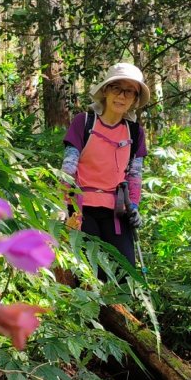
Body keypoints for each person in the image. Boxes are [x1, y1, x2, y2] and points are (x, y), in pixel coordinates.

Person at [62, 62, 148, 274]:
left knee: (124, 273)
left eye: (130, 92)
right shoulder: (84, 123)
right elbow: (68, 166)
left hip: (117, 211)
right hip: (81, 207)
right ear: (106, 90)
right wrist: (62, 203)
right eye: (117, 88)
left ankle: (122, 307)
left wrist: (134, 207)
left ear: (135, 99)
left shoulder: (135, 132)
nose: (122, 96)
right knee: (89, 273)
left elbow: (135, 174)